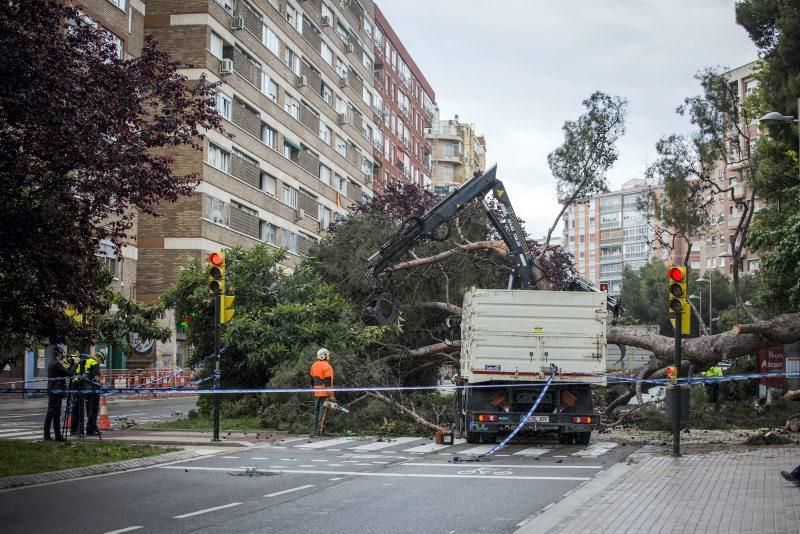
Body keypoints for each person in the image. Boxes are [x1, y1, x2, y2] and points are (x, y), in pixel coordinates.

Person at [43, 351, 78, 441]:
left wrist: (72, 364)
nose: (63, 355)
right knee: (51, 413)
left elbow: (65, 372)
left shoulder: (54, 363)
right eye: (62, 354)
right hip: (55, 390)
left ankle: (57, 436)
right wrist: (75, 363)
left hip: (56, 390)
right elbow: (70, 374)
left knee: (56, 414)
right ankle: (47, 436)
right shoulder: (56, 363)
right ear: (59, 354)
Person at [310, 348, 334, 436]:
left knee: (316, 411)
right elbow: (328, 383)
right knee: (323, 412)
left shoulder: (314, 365)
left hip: (316, 392)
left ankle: (315, 430)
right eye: (327, 355)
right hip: (325, 393)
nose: (328, 357)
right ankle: (320, 431)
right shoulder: (327, 367)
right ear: (324, 356)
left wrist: (313, 391)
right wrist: (331, 395)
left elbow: (312, 381)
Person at [83, 351, 105, 436]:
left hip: (85, 388)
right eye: (101, 361)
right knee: (94, 410)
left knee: (89, 410)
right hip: (93, 389)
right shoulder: (95, 363)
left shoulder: (87, 361)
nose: (100, 362)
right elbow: (96, 378)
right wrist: (101, 384)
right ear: (99, 358)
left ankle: (91, 428)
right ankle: (91, 430)